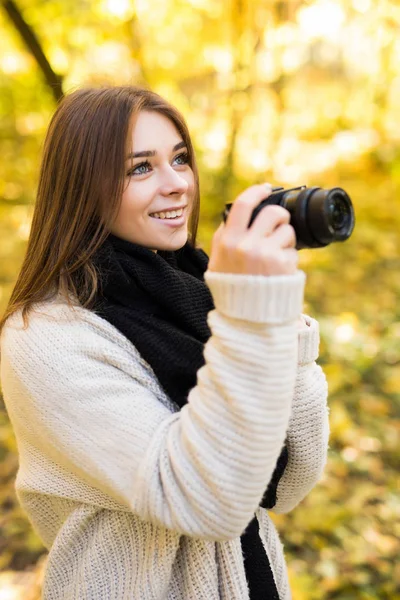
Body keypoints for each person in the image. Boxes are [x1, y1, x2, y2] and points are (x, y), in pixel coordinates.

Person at [0, 85, 329, 600]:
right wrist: (248, 315)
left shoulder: (199, 293)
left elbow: (289, 482)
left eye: (180, 159)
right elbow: (202, 499)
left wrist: (276, 317)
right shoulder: (46, 336)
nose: (177, 184)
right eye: (140, 168)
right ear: (82, 187)